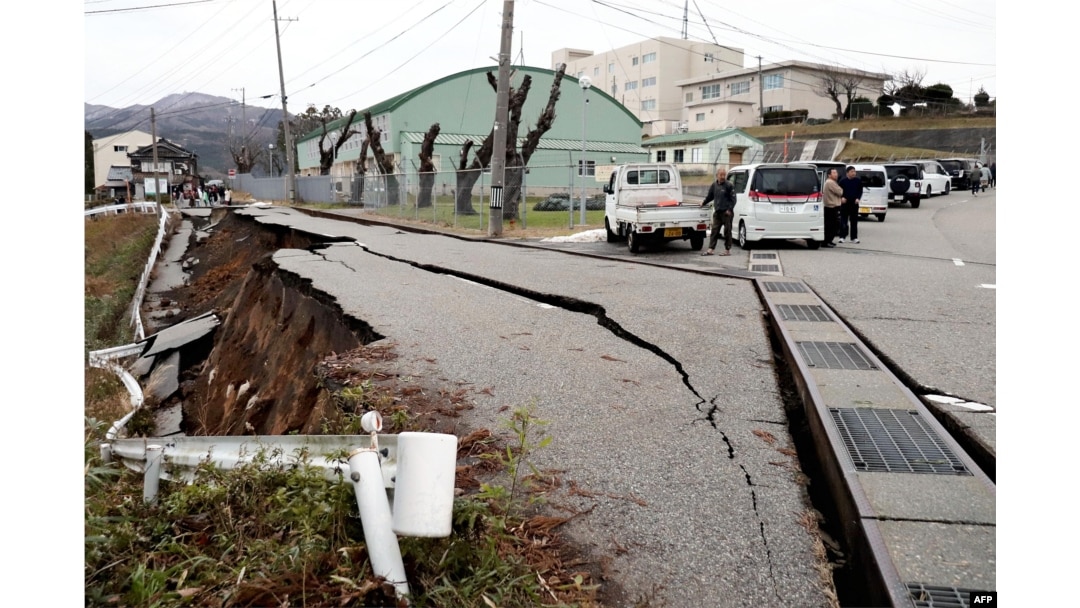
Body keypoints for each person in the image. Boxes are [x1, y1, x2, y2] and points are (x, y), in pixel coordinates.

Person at [701, 167, 737, 256]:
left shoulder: (729, 185)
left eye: (724, 175)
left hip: (726, 213)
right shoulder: (714, 185)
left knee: (727, 231)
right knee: (714, 231)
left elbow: (733, 199)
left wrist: (729, 209)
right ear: (717, 175)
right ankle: (711, 249)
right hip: (717, 212)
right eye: (721, 175)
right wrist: (703, 202)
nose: (722, 177)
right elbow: (710, 196)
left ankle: (727, 249)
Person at [838, 166, 863, 244]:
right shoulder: (842, 181)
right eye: (852, 171)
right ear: (847, 173)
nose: (854, 173)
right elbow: (838, 191)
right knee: (843, 221)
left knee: (854, 221)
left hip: (854, 203)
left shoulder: (858, 181)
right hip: (845, 203)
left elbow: (860, 191)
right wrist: (841, 198)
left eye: (854, 171)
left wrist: (858, 198)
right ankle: (842, 236)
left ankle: (854, 237)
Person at [822, 168, 844, 247]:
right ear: (829, 175)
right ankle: (826, 241)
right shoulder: (830, 182)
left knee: (833, 225)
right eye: (834, 173)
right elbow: (840, 192)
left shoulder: (832, 182)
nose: (836, 174)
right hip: (831, 207)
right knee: (831, 225)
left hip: (832, 207)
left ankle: (829, 240)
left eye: (836, 172)